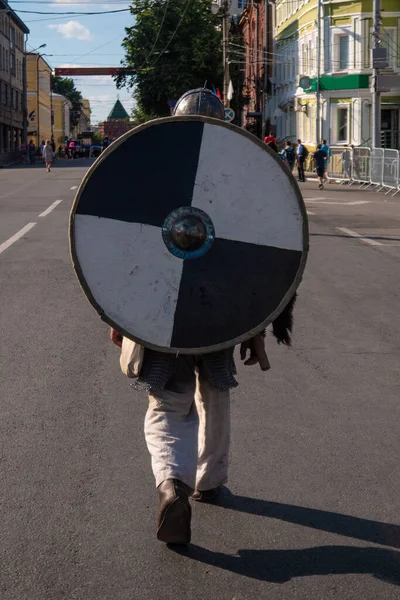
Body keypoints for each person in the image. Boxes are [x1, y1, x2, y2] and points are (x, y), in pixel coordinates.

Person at [110, 88, 297, 546]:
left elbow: (126, 251)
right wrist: (259, 324)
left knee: (167, 404)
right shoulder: (243, 177)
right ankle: (210, 484)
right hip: (218, 313)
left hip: (163, 314)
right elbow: (267, 256)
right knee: (215, 392)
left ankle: (172, 483)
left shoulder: (156, 176)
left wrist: (120, 316)